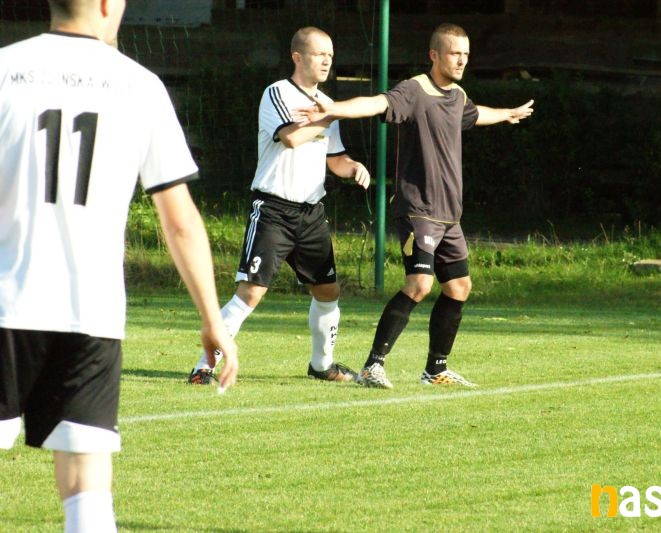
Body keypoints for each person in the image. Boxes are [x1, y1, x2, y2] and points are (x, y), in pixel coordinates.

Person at [0, 1, 239, 531]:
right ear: (108, 3)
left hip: (6, 303)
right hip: (91, 312)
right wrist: (212, 319)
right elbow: (180, 222)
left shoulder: (4, 70)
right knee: (86, 484)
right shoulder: (140, 86)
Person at [296, 23, 533, 389]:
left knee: (459, 287)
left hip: (449, 215)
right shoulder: (414, 90)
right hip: (418, 210)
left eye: (466, 54)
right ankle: (373, 366)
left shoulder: (457, 95)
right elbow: (376, 103)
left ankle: (435, 369)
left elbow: (473, 114)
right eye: (455, 53)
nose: (462, 60)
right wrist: (334, 109)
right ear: (434, 55)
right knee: (420, 284)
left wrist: (506, 113)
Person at [187, 26, 370, 385]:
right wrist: (332, 115)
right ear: (297, 57)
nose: (327, 61)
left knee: (328, 291)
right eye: (319, 54)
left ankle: (321, 365)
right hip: (273, 210)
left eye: (330, 55)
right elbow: (291, 138)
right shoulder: (278, 93)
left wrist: (353, 168)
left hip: (311, 213)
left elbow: (335, 158)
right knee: (251, 292)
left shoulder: (328, 104)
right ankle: (203, 366)